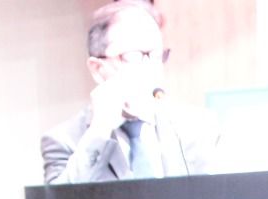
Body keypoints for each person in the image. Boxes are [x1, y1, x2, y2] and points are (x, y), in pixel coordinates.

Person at [42, 0, 217, 184]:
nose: (149, 68)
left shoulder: (196, 127)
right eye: (132, 56)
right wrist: (99, 130)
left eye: (156, 55)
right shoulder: (64, 140)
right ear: (98, 69)